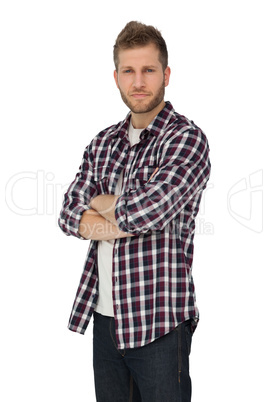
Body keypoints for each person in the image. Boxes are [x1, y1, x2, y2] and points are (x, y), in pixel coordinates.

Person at [59, 21, 211, 402]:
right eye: (129, 70)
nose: (138, 81)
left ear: (166, 74)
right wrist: (124, 212)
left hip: (159, 322)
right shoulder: (103, 142)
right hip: (106, 322)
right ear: (116, 77)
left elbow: (148, 211)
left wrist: (102, 204)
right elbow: (67, 213)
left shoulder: (186, 139)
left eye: (148, 70)